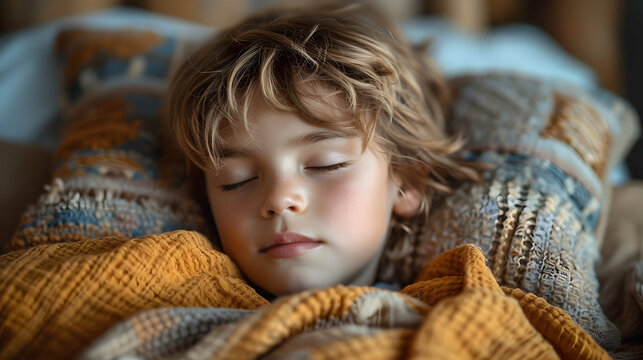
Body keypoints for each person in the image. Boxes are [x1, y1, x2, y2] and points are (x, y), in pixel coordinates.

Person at [167, 2, 479, 297]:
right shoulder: (176, 290)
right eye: (238, 179)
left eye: (324, 165)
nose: (279, 199)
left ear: (409, 180)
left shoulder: (455, 303)